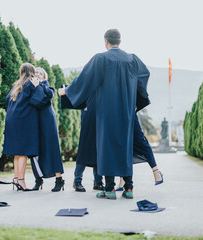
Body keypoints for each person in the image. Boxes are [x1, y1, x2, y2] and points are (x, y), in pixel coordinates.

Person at [58, 29, 150, 200]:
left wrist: (67, 91)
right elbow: (144, 75)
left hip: (106, 112)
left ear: (106, 42)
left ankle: (110, 189)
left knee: (106, 147)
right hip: (126, 112)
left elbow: (85, 78)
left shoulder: (101, 59)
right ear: (120, 41)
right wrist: (134, 100)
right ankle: (129, 188)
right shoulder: (132, 59)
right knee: (124, 147)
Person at [3, 63, 43, 191]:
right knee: (24, 152)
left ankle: (16, 178)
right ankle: (21, 180)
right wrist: (37, 87)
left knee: (17, 151)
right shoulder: (31, 83)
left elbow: (6, 100)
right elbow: (38, 100)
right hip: (24, 120)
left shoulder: (16, 85)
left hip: (11, 119)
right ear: (32, 72)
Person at [30, 67, 65, 192]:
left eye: (41, 73)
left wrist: (38, 86)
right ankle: (38, 180)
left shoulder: (47, 87)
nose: (38, 74)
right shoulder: (30, 86)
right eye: (36, 73)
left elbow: (41, 100)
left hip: (47, 120)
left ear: (44, 77)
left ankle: (59, 180)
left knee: (52, 148)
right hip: (34, 120)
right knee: (34, 150)